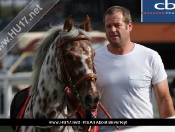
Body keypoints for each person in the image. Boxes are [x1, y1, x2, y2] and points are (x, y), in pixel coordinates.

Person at [94, 6, 175, 131]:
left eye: (117, 25)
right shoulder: (93, 58)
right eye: (108, 26)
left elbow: (164, 98)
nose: (112, 30)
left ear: (129, 26)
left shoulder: (150, 57)